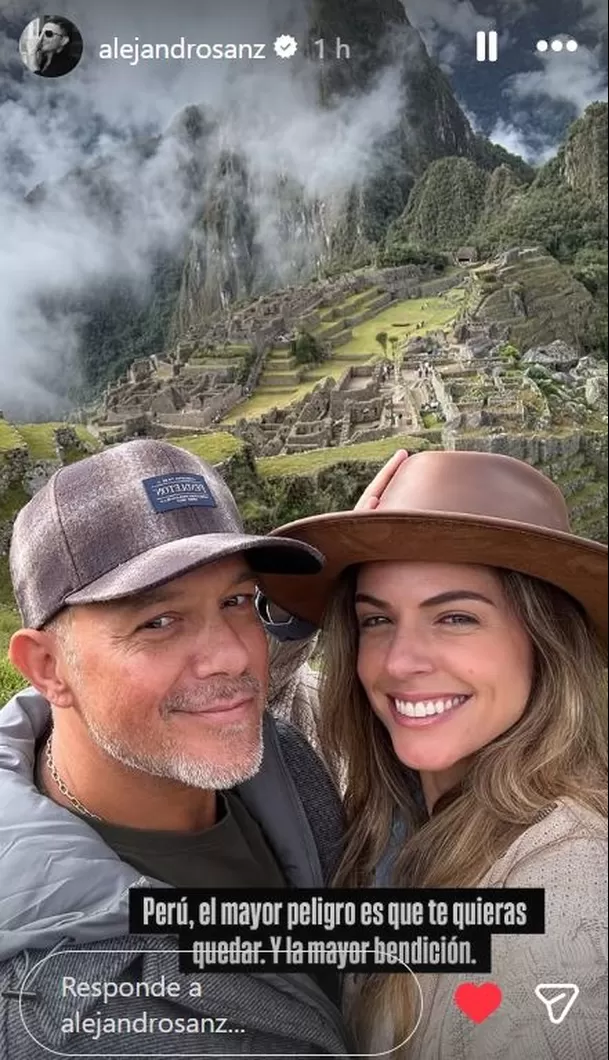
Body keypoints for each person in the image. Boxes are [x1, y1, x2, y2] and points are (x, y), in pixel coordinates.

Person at [0, 438, 354, 1058]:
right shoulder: (64, 1025)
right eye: (158, 621)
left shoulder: (281, 761)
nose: (234, 656)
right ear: (49, 667)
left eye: (237, 602)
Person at [260, 449, 608, 1060]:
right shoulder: (389, 803)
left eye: (455, 617)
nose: (399, 662)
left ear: (544, 639)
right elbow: (223, 726)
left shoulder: (566, 895)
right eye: (376, 620)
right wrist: (296, 609)